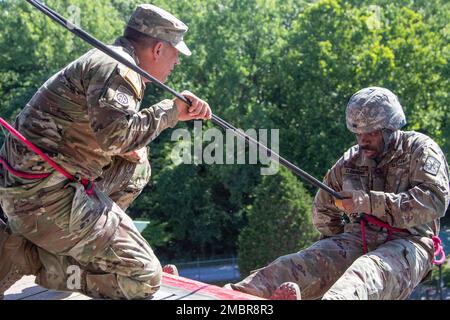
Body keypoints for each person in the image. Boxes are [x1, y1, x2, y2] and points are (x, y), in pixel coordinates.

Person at [0, 4, 211, 300]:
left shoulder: (110, 60)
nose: (177, 62)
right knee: (143, 279)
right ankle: (39, 258)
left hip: (33, 186)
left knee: (137, 166)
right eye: (177, 54)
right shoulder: (120, 69)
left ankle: (63, 244)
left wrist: (132, 144)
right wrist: (170, 111)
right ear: (159, 49)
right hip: (40, 196)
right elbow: (117, 138)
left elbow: (105, 135)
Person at [227, 87, 449, 300]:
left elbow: (435, 200)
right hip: (356, 239)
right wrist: (334, 247)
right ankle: (233, 297)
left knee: (362, 276)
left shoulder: (419, 150)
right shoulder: (350, 161)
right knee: (295, 265)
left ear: (390, 129)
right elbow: (323, 211)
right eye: (358, 133)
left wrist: (369, 203)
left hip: (409, 243)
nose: (362, 140)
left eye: (371, 133)